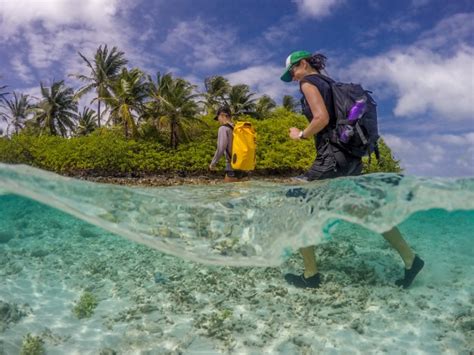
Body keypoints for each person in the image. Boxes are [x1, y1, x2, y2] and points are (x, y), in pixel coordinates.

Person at [281, 50, 424, 289]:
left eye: (293, 71)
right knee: (363, 209)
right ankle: (411, 259)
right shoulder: (331, 84)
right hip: (350, 158)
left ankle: (310, 275)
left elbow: (321, 118)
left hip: (331, 159)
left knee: (299, 208)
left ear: (303, 64)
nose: (293, 77)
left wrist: (301, 135)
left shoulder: (308, 82)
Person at [209, 106, 245, 182]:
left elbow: (221, 148)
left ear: (222, 115)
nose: (218, 120)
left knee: (228, 192)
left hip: (231, 166)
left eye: (218, 117)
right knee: (238, 193)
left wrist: (213, 163)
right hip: (242, 166)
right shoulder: (236, 128)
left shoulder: (223, 128)